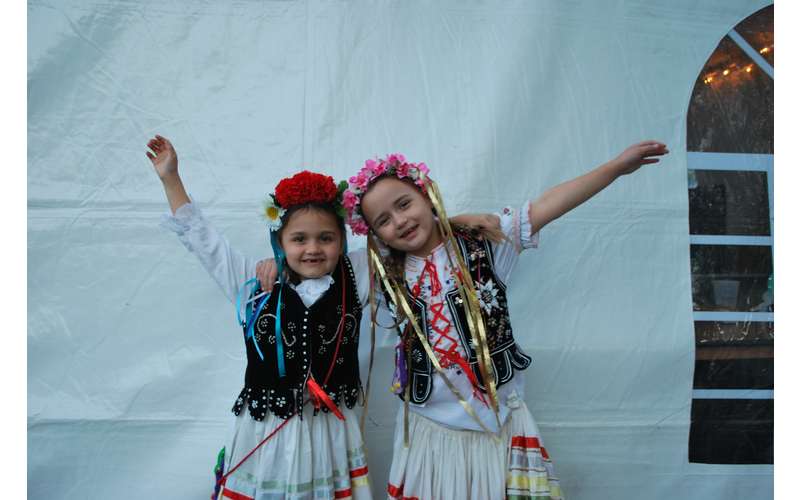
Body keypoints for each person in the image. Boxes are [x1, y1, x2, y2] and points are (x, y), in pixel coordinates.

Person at [261, 142, 669, 499]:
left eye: (404, 204)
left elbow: (544, 207)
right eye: (383, 220)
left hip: (501, 426)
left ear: (427, 195)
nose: (399, 221)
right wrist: (274, 260)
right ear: (375, 235)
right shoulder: (378, 274)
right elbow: (315, 256)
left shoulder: (485, 246)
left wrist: (616, 168)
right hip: (431, 435)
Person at [146, 135, 373, 500]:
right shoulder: (255, 284)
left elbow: (403, 237)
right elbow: (203, 240)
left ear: (342, 242)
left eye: (326, 238)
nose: (313, 248)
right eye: (299, 239)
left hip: (328, 432)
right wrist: (171, 179)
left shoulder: (357, 277)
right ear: (279, 243)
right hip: (266, 433)